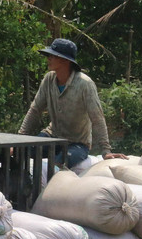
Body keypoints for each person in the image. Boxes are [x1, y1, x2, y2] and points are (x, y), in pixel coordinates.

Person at [18, 38, 127, 167]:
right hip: (52, 136)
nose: (48, 58)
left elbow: (97, 118)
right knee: (22, 153)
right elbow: (35, 110)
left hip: (77, 143)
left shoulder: (84, 84)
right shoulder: (49, 79)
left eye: (52, 56)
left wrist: (106, 151)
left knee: (58, 165)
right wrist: (19, 139)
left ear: (64, 60)